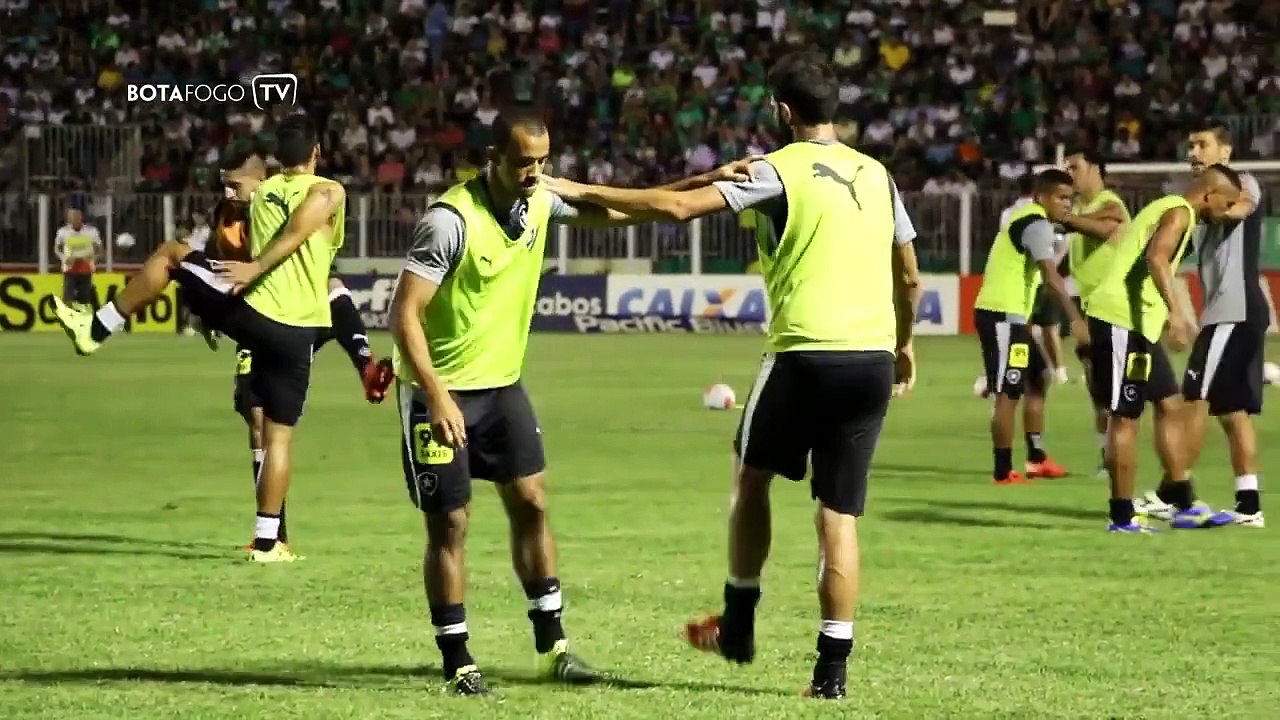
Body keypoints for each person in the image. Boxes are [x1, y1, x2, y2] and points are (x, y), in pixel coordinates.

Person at [543, 50, 921, 701]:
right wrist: (905, 346)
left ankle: (739, 626)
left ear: (783, 109)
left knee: (752, 479)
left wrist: (572, 190)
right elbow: (910, 275)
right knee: (839, 517)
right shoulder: (879, 175)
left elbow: (679, 210)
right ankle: (830, 677)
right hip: (870, 358)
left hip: (805, 353)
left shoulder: (778, 170)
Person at [389, 105, 754, 696]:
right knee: (450, 525)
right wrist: (437, 397)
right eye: (522, 163)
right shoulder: (449, 220)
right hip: (443, 395)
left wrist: (708, 183)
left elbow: (626, 207)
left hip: (503, 387)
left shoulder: (540, 199)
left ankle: (551, 647)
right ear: (493, 159)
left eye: (542, 162)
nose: (534, 173)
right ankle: (457, 660)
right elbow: (403, 315)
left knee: (532, 503)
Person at [1085, 164, 1243, 532]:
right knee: (1125, 417)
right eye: (1227, 202)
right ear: (1208, 195)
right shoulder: (1180, 212)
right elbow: (1156, 258)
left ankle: (1181, 499)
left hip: (1139, 324)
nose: (1228, 211)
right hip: (1120, 319)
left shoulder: (1173, 208)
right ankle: (1122, 516)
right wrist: (1177, 314)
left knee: (1171, 405)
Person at [1135, 123, 1267, 528]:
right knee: (1232, 412)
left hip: (1232, 311)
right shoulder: (1198, 208)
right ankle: (1249, 506)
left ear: (1225, 151)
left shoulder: (1242, 183)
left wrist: (1213, 203)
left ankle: (1171, 492)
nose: (1193, 150)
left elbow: (1242, 206)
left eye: (1202, 144)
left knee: (1194, 399)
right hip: (1235, 312)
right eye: (1190, 144)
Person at [972, 170, 1088, 485]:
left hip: (1014, 317)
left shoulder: (1033, 221)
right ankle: (1003, 470)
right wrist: (1075, 319)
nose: (1067, 205)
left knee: (1039, 378)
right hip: (999, 315)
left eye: (1070, 198)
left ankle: (1036, 459)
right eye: (1061, 198)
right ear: (1041, 196)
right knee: (1008, 393)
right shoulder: (1035, 224)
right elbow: (1051, 276)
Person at [1060, 149, 1130, 476]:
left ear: (1095, 169)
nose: (1069, 173)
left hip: (1115, 313)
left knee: (1116, 392)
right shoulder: (1080, 209)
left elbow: (1107, 227)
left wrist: (1064, 220)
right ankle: (1107, 457)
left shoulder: (1108, 202)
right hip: (1091, 312)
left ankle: (1119, 460)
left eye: (1075, 167)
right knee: (1097, 390)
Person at [1003, 176, 1072, 387]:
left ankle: (1018, 369)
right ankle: (1059, 371)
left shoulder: (1009, 213)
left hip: (1021, 280)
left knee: (1022, 328)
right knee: (1050, 327)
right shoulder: (1048, 215)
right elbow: (1063, 243)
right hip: (1047, 278)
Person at [53, 208, 102, 308]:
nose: (75, 220)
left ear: (81, 218)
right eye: (72, 218)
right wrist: (63, 258)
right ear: (68, 219)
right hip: (70, 268)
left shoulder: (91, 231)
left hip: (86, 267)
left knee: (84, 298)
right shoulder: (63, 232)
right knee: (68, 298)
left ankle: (83, 320)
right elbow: (56, 249)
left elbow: (100, 249)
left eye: (77, 217)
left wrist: (94, 259)